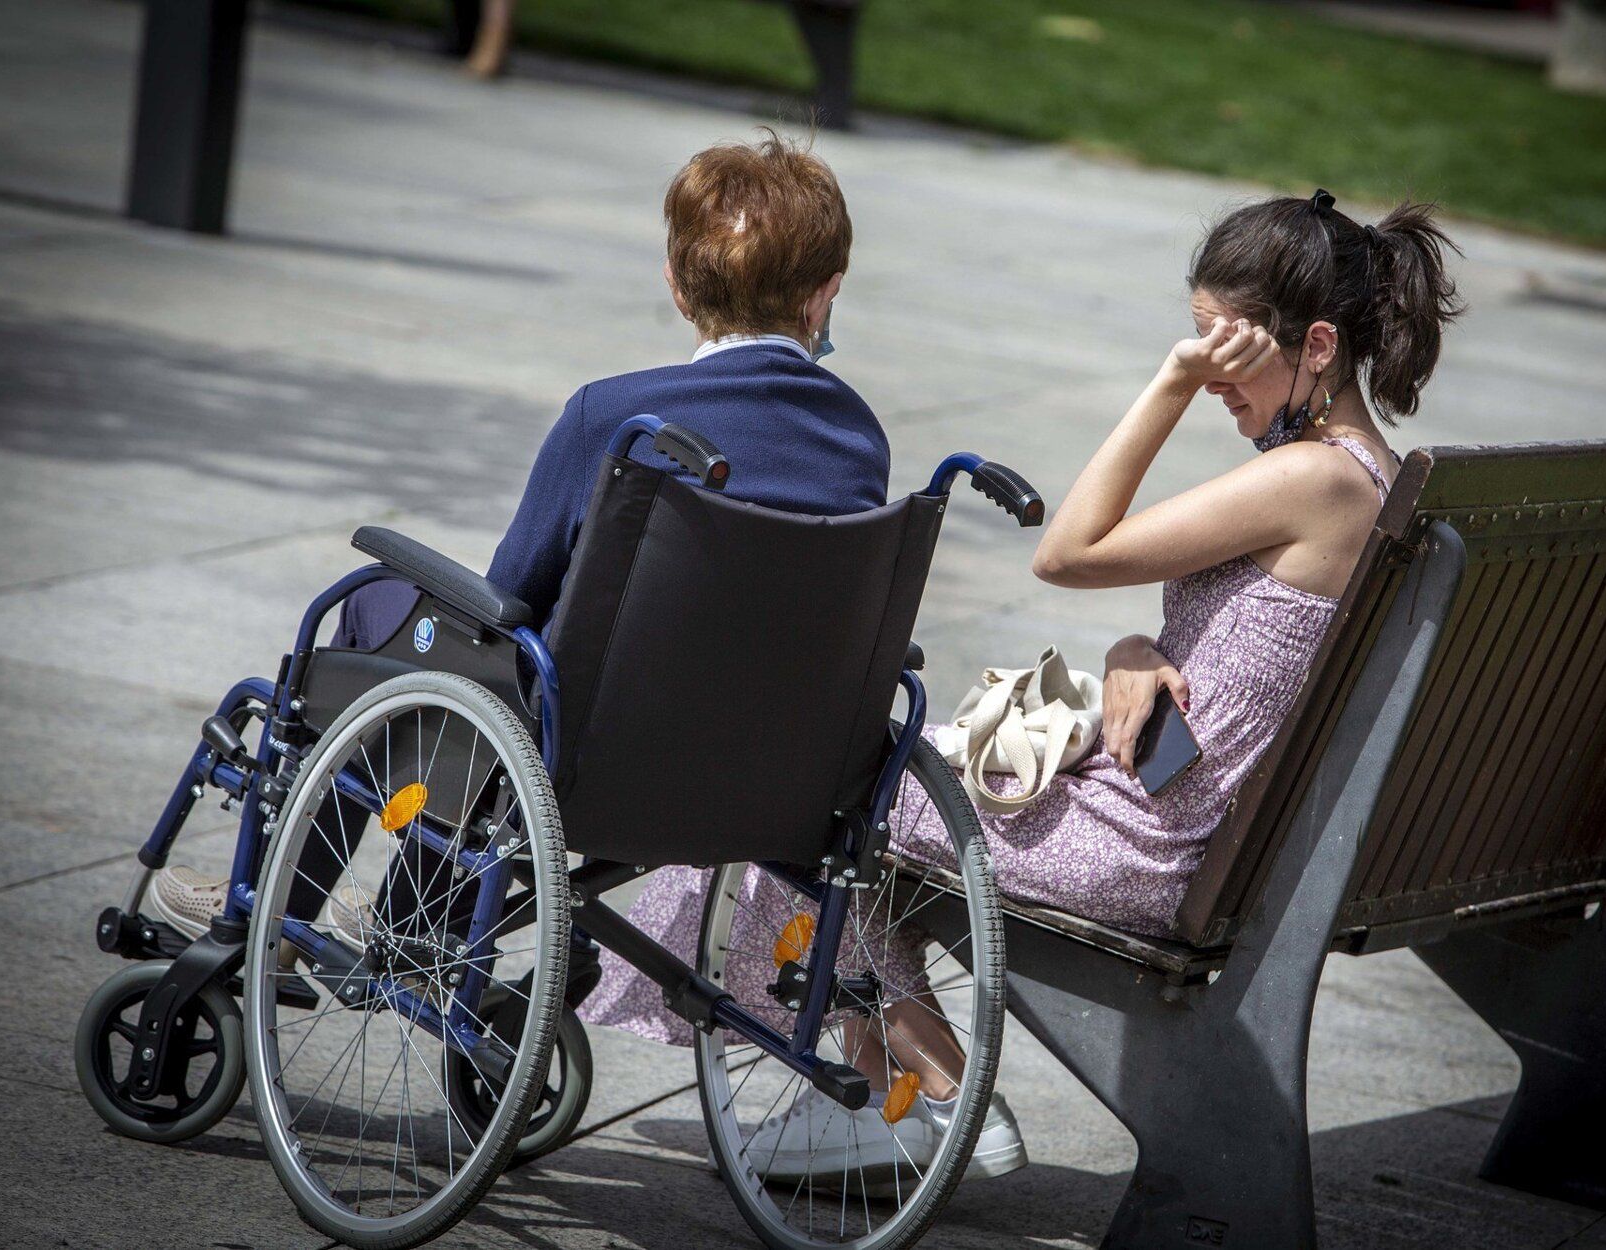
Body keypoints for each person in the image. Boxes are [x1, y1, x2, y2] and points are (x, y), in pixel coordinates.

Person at [590, 188, 1464, 1176]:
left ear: (1314, 345)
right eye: (1196, 346)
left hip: (1147, 846)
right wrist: (1140, 649)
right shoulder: (1365, 478)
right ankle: (893, 1093)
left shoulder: (1320, 482)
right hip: (1188, 827)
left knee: (802, 794)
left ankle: (932, 1095)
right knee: (860, 786)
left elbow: (1069, 548)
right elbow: (1263, 651)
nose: (1212, 375)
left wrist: (1169, 383)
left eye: (1224, 349)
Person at [145, 129, 895, 983]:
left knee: (388, 615)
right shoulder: (855, 441)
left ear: (679, 289)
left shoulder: (613, 417)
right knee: (498, 680)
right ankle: (403, 922)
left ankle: (285, 914)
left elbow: (508, 597)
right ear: (824, 297)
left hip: (584, 768)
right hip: (772, 781)